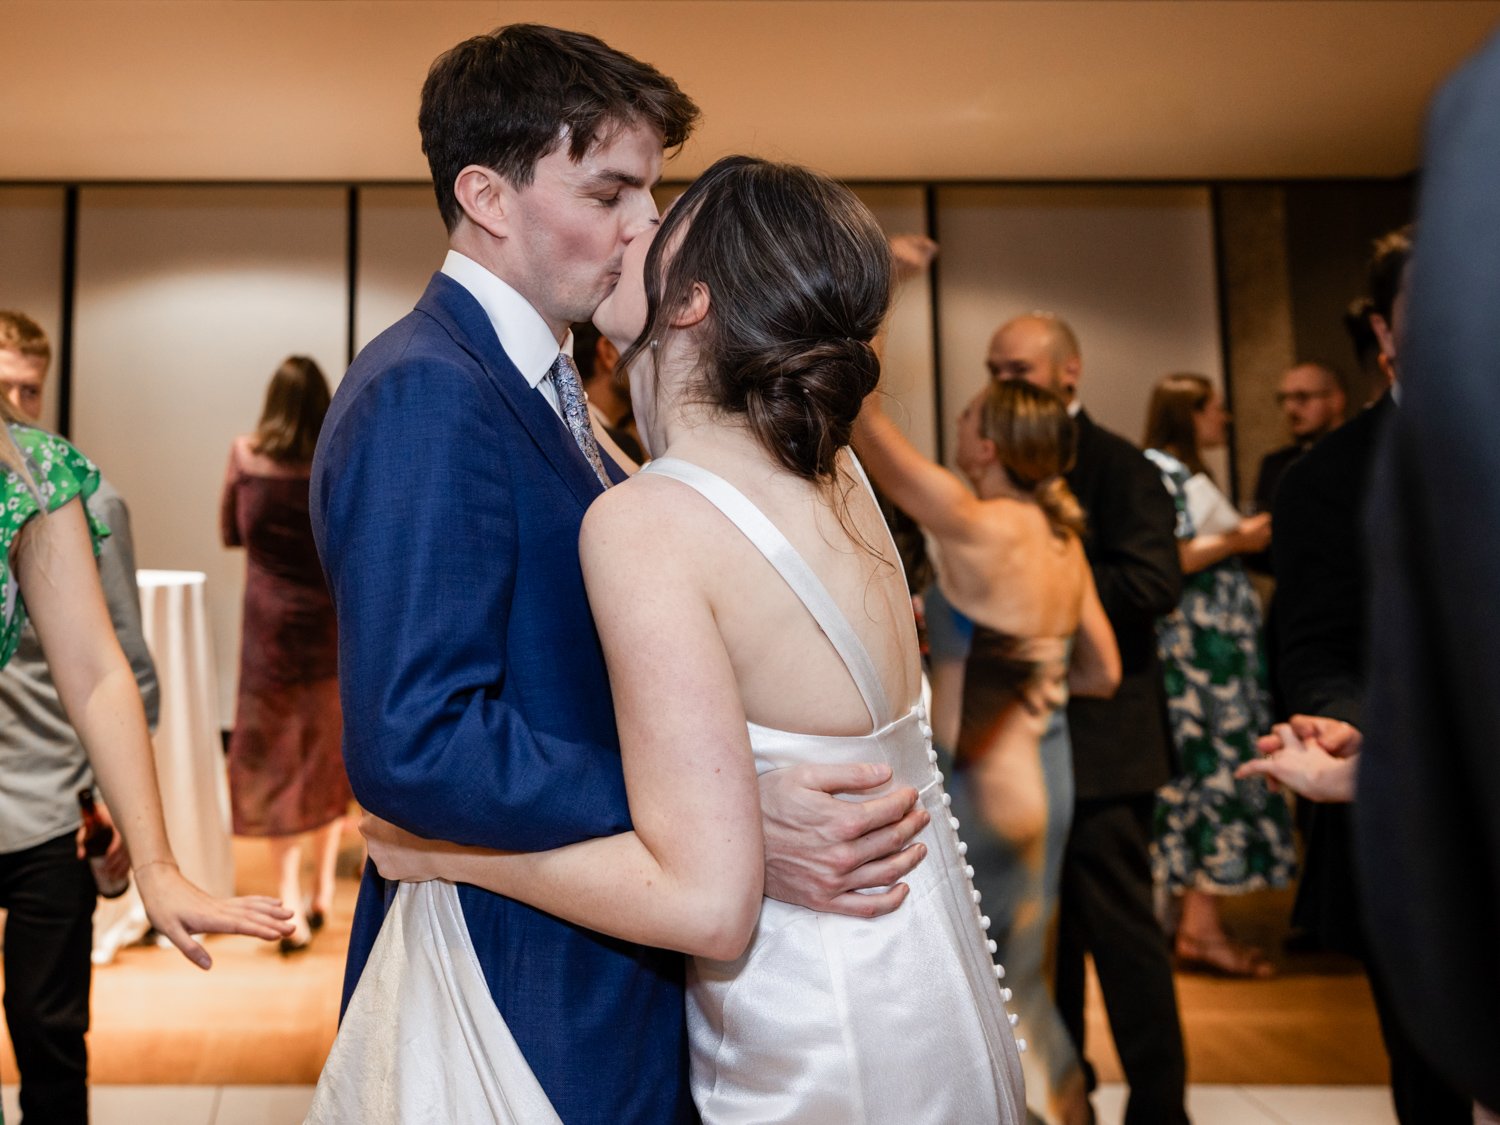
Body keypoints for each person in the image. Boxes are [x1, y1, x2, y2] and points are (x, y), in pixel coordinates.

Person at [308, 28, 931, 1124]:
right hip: (522, 988)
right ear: (488, 198)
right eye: (609, 192)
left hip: (616, 958)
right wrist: (718, 812)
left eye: (650, 192)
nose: (646, 227)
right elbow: (416, 738)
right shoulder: (428, 391)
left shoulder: (556, 390)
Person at [0, 389, 293, 1121]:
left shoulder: (30, 473)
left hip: (43, 806)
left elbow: (102, 668)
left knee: (48, 1030)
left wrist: (155, 862)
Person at [854, 374, 1120, 1125]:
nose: (959, 425)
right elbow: (1103, 669)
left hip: (987, 780)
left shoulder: (975, 521)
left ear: (991, 444)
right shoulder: (1062, 541)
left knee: (1000, 985)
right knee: (1025, 974)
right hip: (1049, 770)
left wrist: (889, 277)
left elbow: (867, 419)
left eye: (968, 416)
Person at [1269, 226, 1470, 1123]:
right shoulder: (1328, 481)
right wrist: (1341, 716)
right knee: (1433, 1072)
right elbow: (1316, 643)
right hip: (1414, 814)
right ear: (1385, 335)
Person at [987, 314, 1189, 1125]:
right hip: (1026, 753)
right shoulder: (999, 466)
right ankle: (1071, 1104)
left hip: (1106, 750)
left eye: (1021, 366)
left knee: (1127, 944)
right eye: (994, 366)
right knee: (1044, 950)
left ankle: (1163, 1108)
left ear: (1070, 373)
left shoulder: (1121, 465)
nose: (1005, 380)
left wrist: (1043, 581)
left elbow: (1152, 583)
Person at [0, 312, 156, 1123]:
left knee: (48, 1029)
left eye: (27, 387)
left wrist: (117, 804)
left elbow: (120, 664)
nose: (14, 404)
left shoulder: (76, 496)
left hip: (51, 805)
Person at [1142, 373, 1296, 978]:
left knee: (1214, 772)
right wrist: (1240, 538)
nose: (1224, 419)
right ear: (1189, 413)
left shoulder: (1184, 468)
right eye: (1215, 409)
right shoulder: (1162, 469)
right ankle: (1201, 930)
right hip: (1199, 660)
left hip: (1218, 656)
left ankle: (1194, 923)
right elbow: (1174, 554)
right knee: (1209, 775)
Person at [220, 355, 351, 954]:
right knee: (324, 756)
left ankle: (289, 900)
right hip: (328, 626)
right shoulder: (334, 460)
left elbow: (230, 530)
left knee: (276, 762)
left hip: (267, 633)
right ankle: (324, 890)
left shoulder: (245, 456)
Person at [1251, 362, 1347, 517]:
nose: (1290, 408)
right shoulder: (1275, 464)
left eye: (1302, 397)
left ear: (1336, 399)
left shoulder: (1362, 458)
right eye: (1285, 398)